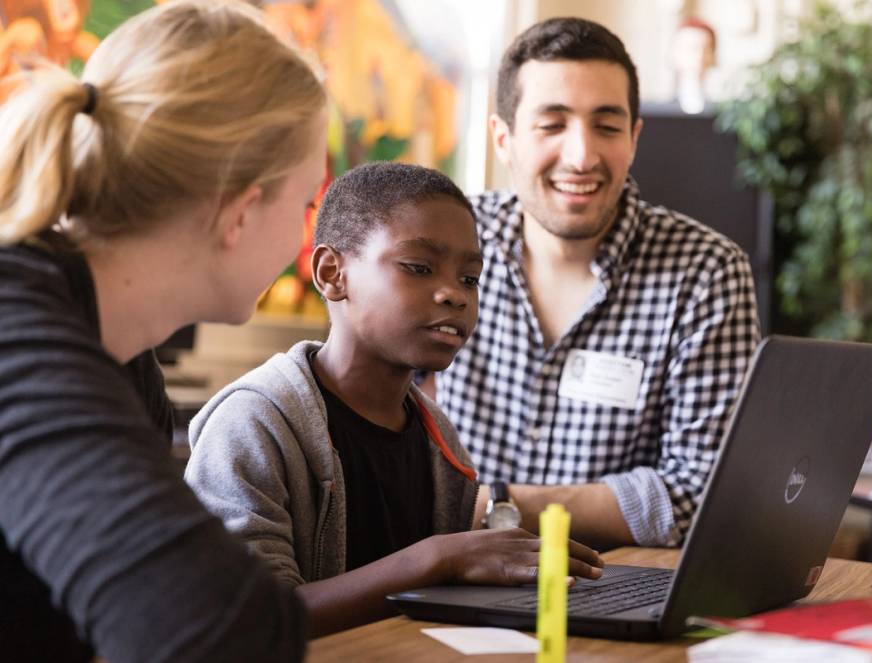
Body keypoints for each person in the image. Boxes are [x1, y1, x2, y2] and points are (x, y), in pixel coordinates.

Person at [0, 1, 330, 660]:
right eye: (306, 202)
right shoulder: (17, 325)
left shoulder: (119, 354)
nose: (306, 225)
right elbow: (219, 630)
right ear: (240, 212)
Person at [184, 162, 604, 637]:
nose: (454, 295)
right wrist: (438, 557)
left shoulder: (437, 437)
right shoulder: (253, 423)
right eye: (419, 268)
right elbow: (251, 618)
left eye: (470, 278)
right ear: (332, 273)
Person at [432, 17, 761, 550]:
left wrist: (492, 505)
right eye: (552, 124)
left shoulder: (706, 272)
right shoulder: (446, 243)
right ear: (503, 138)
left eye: (606, 126)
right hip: (443, 581)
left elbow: (701, 493)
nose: (582, 156)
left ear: (633, 138)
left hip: (611, 591)